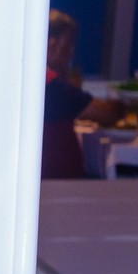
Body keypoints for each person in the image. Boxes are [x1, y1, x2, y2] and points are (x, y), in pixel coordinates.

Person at [41, 10, 121, 179]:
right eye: (68, 45)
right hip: (61, 181)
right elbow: (108, 114)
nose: (71, 52)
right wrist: (126, 102)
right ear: (52, 45)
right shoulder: (52, 86)